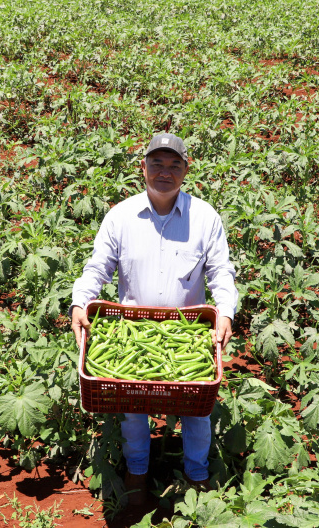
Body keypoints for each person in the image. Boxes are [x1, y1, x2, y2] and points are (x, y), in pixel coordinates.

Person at [70, 133, 238, 506]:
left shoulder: (205, 217)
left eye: (174, 164)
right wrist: (80, 303)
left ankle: (196, 475)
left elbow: (221, 272)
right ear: (142, 168)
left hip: (189, 331)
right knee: (133, 406)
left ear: (185, 170)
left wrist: (225, 312)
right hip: (134, 328)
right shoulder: (121, 217)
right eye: (157, 164)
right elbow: (97, 267)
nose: (166, 172)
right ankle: (138, 471)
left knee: (198, 410)